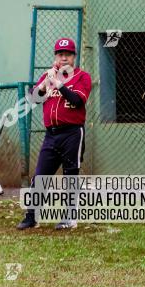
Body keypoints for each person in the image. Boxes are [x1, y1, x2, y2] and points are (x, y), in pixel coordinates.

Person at [17, 38, 92, 231]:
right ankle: (32, 217)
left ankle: (70, 217)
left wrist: (59, 84)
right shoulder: (47, 75)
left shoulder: (83, 77)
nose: (64, 57)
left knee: (70, 175)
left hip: (72, 133)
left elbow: (76, 101)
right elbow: (34, 99)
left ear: (74, 57)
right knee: (40, 175)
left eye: (68, 54)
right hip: (51, 134)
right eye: (60, 54)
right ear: (55, 57)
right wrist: (45, 84)